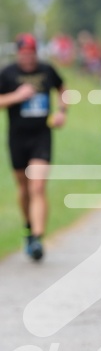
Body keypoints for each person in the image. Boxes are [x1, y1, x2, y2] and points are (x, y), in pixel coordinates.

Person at [0, 33, 67, 261]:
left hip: (41, 136)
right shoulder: (8, 73)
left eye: (31, 54)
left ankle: (37, 239)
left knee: (37, 187)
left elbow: (62, 88)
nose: (28, 58)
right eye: (24, 54)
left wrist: (61, 112)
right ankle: (28, 227)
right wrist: (16, 96)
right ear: (18, 53)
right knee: (23, 189)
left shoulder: (47, 70)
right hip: (17, 138)